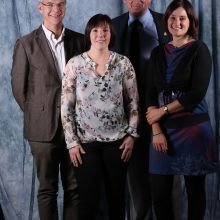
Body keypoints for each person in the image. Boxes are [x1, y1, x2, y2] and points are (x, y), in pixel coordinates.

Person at [61, 13, 139, 220]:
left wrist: (131, 135)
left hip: (118, 143)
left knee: (117, 200)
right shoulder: (74, 65)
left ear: (111, 34)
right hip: (85, 144)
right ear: (89, 34)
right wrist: (72, 143)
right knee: (88, 202)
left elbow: (133, 103)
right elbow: (66, 108)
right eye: (95, 30)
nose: (100, 34)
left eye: (105, 30)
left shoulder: (123, 64)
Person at [11, 1, 85, 219]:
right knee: (47, 189)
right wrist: (39, 115)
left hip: (76, 129)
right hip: (42, 131)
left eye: (60, 4)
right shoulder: (26, 44)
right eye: (49, 4)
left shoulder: (79, 40)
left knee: (74, 188)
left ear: (65, 7)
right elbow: (18, 89)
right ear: (40, 8)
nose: (55, 9)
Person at [145, 0, 219, 220]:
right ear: (166, 21)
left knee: (195, 192)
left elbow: (196, 93)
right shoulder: (158, 53)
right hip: (162, 131)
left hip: (193, 131)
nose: (177, 22)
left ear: (190, 22)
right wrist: (156, 129)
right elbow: (149, 94)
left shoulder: (199, 49)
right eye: (172, 18)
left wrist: (163, 110)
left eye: (182, 18)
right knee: (159, 194)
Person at [111, 1, 171, 219]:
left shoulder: (169, 21)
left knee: (162, 186)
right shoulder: (111, 26)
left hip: (162, 116)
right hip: (125, 120)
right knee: (137, 186)